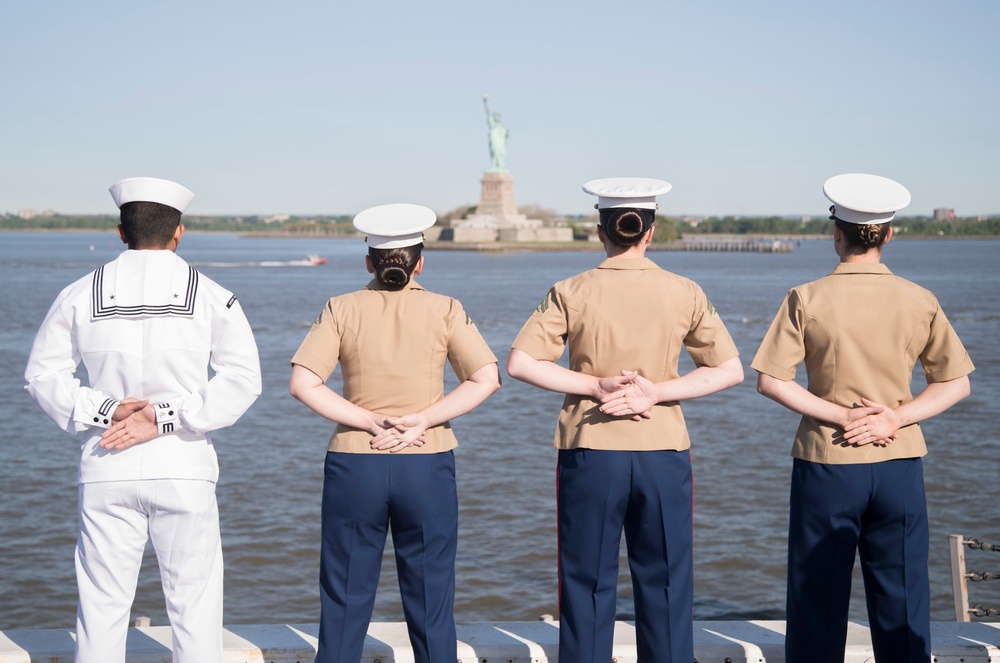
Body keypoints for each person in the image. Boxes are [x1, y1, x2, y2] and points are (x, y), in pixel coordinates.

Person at [24, 177, 262, 663]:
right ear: (179, 232)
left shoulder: (80, 292)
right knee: (193, 608)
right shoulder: (213, 294)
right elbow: (243, 380)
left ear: (119, 232)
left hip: (107, 459)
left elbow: (41, 375)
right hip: (184, 467)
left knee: (101, 608)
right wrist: (167, 417)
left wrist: (106, 409)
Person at [506, 178, 744, 663]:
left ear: (601, 231)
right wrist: (656, 392)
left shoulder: (570, 290)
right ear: (650, 232)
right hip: (663, 451)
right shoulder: (685, 291)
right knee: (667, 584)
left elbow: (520, 364)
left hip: (590, 450)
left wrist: (595, 386)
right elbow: (730, 370)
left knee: (586, 583)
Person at [752, 173, 974, 662]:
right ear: (888, 234)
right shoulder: (920, 300)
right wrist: (893, 420)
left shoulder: (805, 297)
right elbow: (956, 384)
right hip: (899, 466)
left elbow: (771, 380)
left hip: (827, 465)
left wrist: (839, 416)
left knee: (817, 605)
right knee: (904, 604)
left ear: (837, 233)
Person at [288, 203, 501, 663]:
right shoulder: (446, 308)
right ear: (421, 261)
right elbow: (486, 378)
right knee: (431, 599)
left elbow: (303, 383)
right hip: (426, 460)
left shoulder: (340, 308)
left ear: (370, 262)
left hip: (354, 462)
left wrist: (366, 420)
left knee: (344, 596)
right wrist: (423, 420)